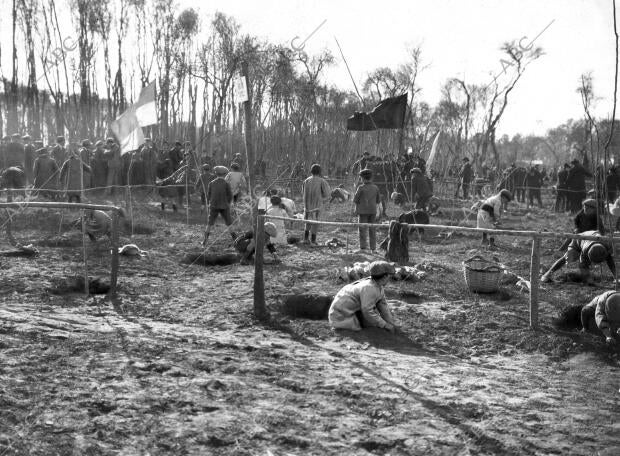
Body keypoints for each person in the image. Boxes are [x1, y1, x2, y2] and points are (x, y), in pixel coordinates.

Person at [328, 261, 398, 332]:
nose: (390, 278)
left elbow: (383, 305)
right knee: (359, 332)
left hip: (353, 310)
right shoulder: (369, 288)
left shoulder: (378, 285)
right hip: (340, 314)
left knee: (372, 325)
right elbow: (367, 311)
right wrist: (385, 325)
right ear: (384, 277)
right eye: (389, 275)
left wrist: (391, 323)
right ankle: (340, 328)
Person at [541, 230, 616, 285]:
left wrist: (617, 277)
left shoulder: (606, 244)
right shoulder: (585, 251)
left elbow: (610, 261)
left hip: (592, 236)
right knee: (567, 258)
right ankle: (547, 275)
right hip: (578, 240)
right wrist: (588, 280)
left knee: (609, 259)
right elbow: (582, 265)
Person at [202, 166, 236, 246]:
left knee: (209, 223)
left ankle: (204, 241)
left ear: (215, 174)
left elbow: (208, 195)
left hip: (213, 206)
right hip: (224, 206)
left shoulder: (211, 183)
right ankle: (236, 240)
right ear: (224, 174)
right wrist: (227, 203)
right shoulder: (226, 183)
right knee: (229, 223)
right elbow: (230, 195)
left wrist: (210, 202)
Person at [302, 163, 331, 245]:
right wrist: (322, 201)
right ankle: (313, 240)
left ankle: (305, 239)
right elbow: (328, 195)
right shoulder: (322, 181)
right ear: (320, 171)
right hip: (317, 206)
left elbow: (303, 193)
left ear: (311, 171)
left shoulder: (306, 181)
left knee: (307, 222)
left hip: (307, 206)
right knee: (315, 223)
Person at [353, 168, 381, 252]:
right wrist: (378, 211)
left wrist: (355, 209)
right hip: (373, 211)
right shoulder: (375, 187)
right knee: (372, 230)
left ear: (363, 178)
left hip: (362, 212)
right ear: (371, 178)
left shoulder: (361, 188)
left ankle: (363, 248)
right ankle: (373, 248)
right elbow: (378, 201)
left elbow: (355, 200)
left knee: (362, 229)